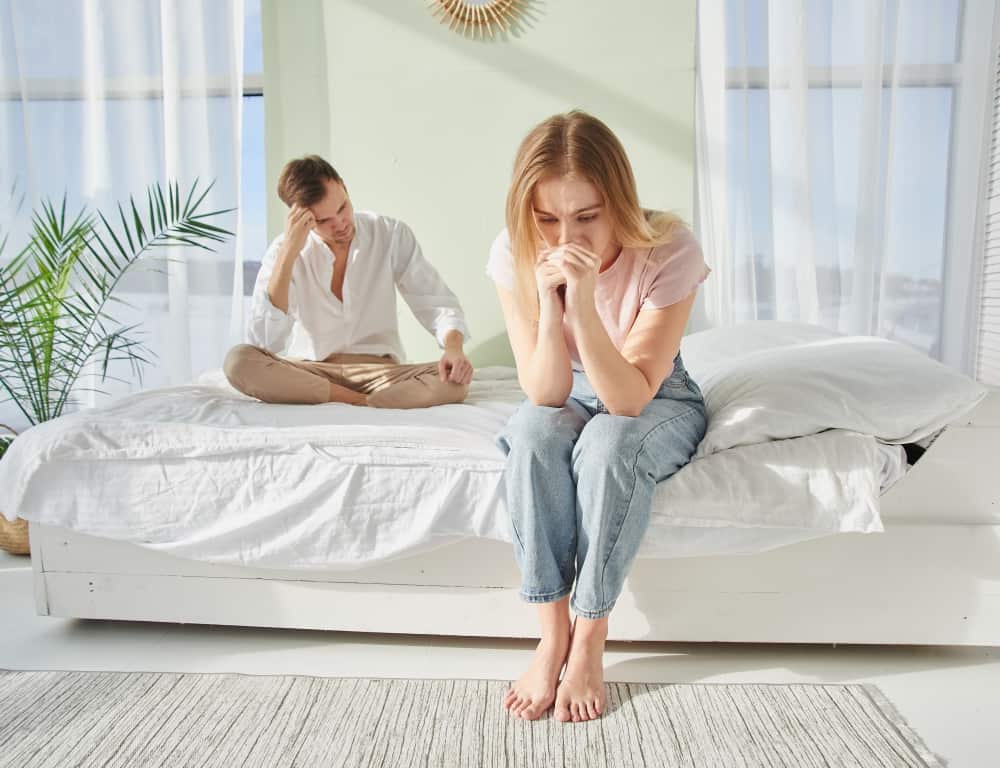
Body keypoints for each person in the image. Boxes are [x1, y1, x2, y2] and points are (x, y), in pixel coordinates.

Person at [487, 111, 710, 723]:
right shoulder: (515, 251)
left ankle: (590, 638)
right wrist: (551, 300)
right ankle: (551, 632)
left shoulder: (669, 248)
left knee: (611, 442)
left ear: (618, 201)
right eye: (548, 219)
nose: (566, 237)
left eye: (586, 216)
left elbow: (631, 400)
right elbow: (546, 393)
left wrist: (583, 304)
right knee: (531, 432)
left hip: (654, 389)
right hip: (570, 388)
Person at [225, 155, 473, 408]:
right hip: (311, 372)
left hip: (381, 374)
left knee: (456, 382)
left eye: (342, 208)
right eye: (323, 221)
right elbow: (264, 342)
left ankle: (360, 399)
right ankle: (363, 402)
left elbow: (436, 302)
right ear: (299, 217)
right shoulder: (284, 251)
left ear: (344, 186)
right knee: (238, 362)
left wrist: (454, 348)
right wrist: (289, 252)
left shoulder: (389, 234)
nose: (340, 224)